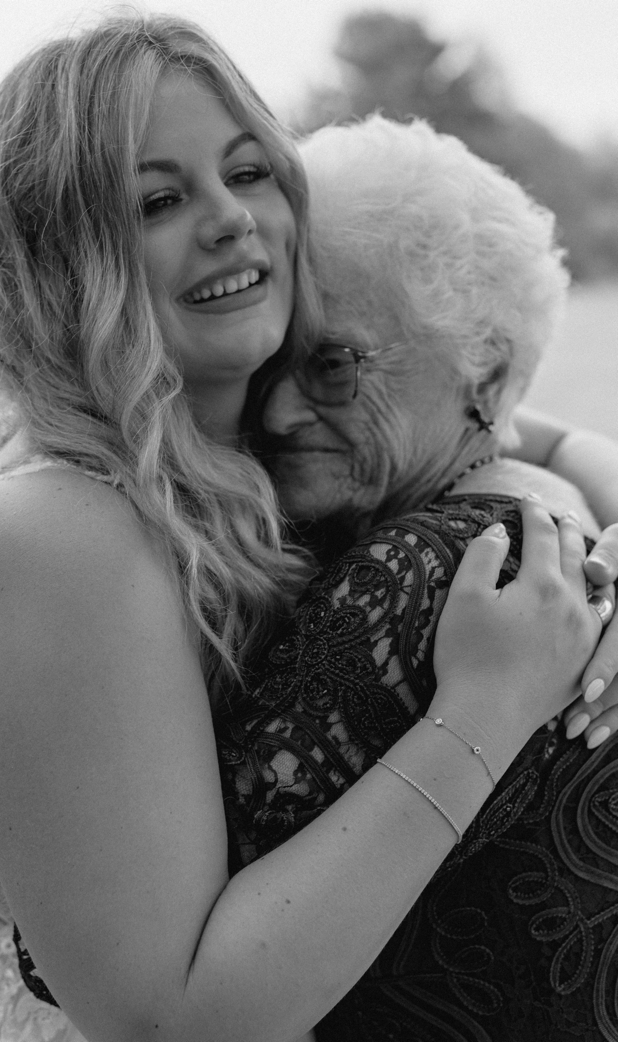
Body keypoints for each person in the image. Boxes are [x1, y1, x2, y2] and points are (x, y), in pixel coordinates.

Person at [0, 16, 609, 1042]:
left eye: (246, 172)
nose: (228, 220)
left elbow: (532, 428)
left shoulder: (253, 434)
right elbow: (170, 1018)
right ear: (64, 263)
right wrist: (488, 705)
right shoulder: (50, 536)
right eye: (158, 199)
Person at [220, 115, 618, 1040]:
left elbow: (169, 946)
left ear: (484, 371)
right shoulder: (543, 502)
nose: (276, 410)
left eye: (332, 366)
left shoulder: (422, 580)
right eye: (273, 359)